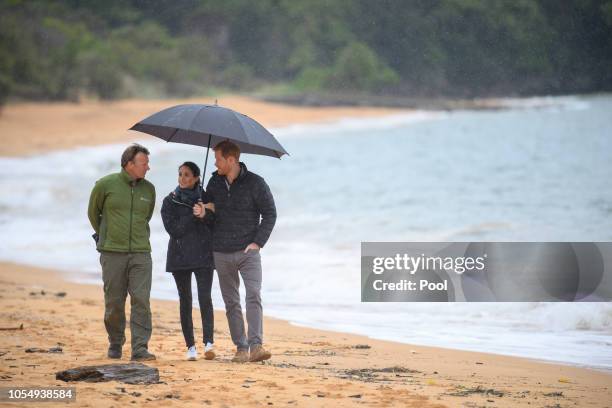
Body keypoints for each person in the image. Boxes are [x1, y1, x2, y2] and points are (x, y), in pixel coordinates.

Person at [194, 140, 277, 363]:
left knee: (253, 294)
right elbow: (211, 215)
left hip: (247, 251)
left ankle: (256, 346)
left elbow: (270, 214)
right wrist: (203, 213)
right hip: (221, 251)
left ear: (231, 160)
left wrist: (258, 242)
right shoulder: (213, 182)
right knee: (231, 302)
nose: (215, 163)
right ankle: (241, 348)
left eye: (218, 159)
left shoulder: (256, 183)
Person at [87, 143, 156, 361]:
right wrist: (106, 236)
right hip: (112, 252)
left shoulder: (149, 189)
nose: (148, 168)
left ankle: (140, 348)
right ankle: (115, 342)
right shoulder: (105, 185)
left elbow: (147, 217)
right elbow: (93, 213)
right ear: (129, 164)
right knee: (114, 302)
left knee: (141, 300)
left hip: (141, 253)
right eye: (144, 163)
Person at [161, 161, 216, 361]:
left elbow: (215, 223)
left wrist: (204, 213)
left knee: (205, 298)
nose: (182, 178)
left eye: (186, 175)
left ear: (196, 178)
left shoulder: (207, 197)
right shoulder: (170, 201)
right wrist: (193, 216)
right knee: (185, 300)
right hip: (179, 256)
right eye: (180, 174)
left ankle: (209, 343)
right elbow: (174, 230)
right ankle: (190, 347)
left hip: (203, 255)